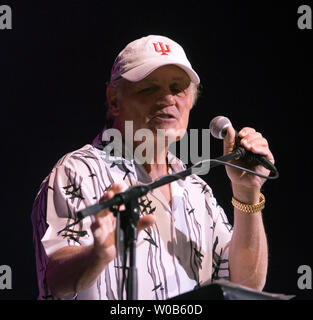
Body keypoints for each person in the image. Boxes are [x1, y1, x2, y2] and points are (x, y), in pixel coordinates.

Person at [31, 35, 274, 300]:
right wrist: (97, 254)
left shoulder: (196, 189)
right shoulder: (76, 171)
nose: (168, 98)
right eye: (149, 88)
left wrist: (245, 191)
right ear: (114, 100)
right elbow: (53, 279)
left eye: (178, 87)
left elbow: (247, 286)